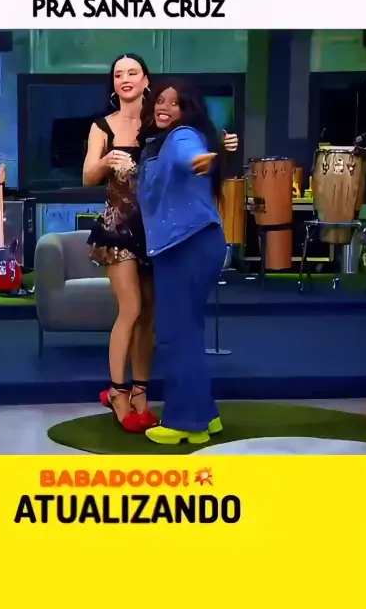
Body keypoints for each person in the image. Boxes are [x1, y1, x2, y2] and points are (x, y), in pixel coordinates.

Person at [83, 54, 238, 432]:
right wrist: (108, 161)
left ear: (146, 81)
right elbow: (88, 175)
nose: (124, 79)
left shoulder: (163, 124)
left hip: (159, 233)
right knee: (133, 309)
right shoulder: (105, 126)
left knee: (154, 316)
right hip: (120, 228)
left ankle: (142, 392)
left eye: (132, 72)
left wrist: (221, 149)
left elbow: (191, 147)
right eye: (117, 74)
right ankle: (118, 392)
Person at [137, 79, 227, 445]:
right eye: (160, 100)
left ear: (187, 110)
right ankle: (205, 414)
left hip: (187, 244)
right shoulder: (159, 142)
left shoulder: (181, 137)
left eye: (174, 103)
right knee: (187, 331)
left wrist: (197, 159)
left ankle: (185, 422)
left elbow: (188, 152)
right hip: (192, 243)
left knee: (176, 335)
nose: (164, 107)